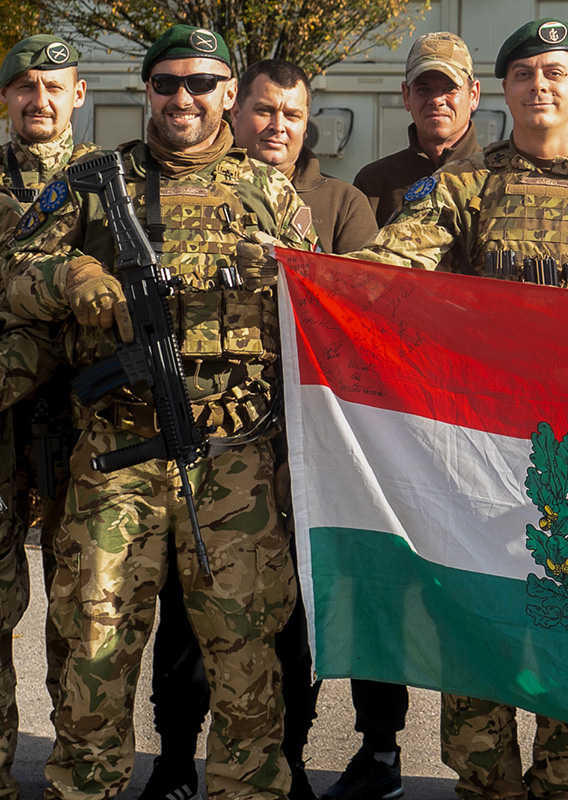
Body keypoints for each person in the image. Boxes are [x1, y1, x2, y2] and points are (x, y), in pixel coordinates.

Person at [349, 17, 568, 800]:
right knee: (479, 635)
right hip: (484, 460)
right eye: (526, 73)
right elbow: (386, 271)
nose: (541, 86)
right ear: (502, 89)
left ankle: (566, 786)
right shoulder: (462, 188)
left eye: (555, 72)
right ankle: (486, 788)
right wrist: (304, 272)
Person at [3, 24, 318, 800]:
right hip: (115, 457)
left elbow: (317, 320)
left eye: (202, 83)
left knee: (248, 658)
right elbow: (17, 270)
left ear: (228, 94)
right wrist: (73, 275)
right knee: (93, 650)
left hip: (236, 462)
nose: (184, 97)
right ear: (146, 90)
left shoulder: (271, 193)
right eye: (167, 82)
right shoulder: (90, 182)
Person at [137, 57, 384, 800]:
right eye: (264, 110)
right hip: (207, 439)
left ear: (309, 125)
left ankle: (287, 760)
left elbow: (360, 309)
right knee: (188, 616)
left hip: (300, 449)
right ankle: (176, 760)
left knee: (286, 619)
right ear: (235, 110)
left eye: (293, 114)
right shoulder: (183, 187)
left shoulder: (340, 203)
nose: (278, 126)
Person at [0, 34, 96, 800]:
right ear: (6, 97)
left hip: (83, 424)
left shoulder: (110, 182)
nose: (40, 99)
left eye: (54, 86)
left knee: (83, 611)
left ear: (79, 94)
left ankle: (77, 774)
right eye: (26, 86)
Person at [353, 32, 482, 227]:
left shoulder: (497, 179)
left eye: (450, 88)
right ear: (406, 96)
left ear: (473, 95)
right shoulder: (374, 185)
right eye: (423, 89)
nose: (436, 100)